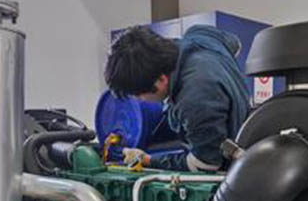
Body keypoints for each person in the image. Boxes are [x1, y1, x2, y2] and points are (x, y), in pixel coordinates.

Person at [104, 25, 250, 171]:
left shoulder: (194, 100)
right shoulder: (199, 34)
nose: (139, 100)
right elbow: (236, 44)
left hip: (238, 170)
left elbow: (206, 164)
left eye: (139, 95)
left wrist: (147, 159)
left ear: (161, 80)